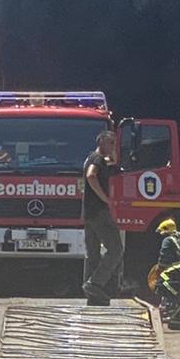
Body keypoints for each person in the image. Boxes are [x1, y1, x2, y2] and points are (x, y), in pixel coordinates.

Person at [82, 126, 123, 305]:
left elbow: (112, 167)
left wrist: (112, 157)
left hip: (89, 214)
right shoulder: (96, 159)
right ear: (101, 142)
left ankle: (93, 296)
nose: (114, 146)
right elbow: (92, 176)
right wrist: (105, 199)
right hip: (99, 213)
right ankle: (95, 284)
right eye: (111, 143)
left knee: (93, 254)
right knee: (116, 249)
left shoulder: (98, 159)